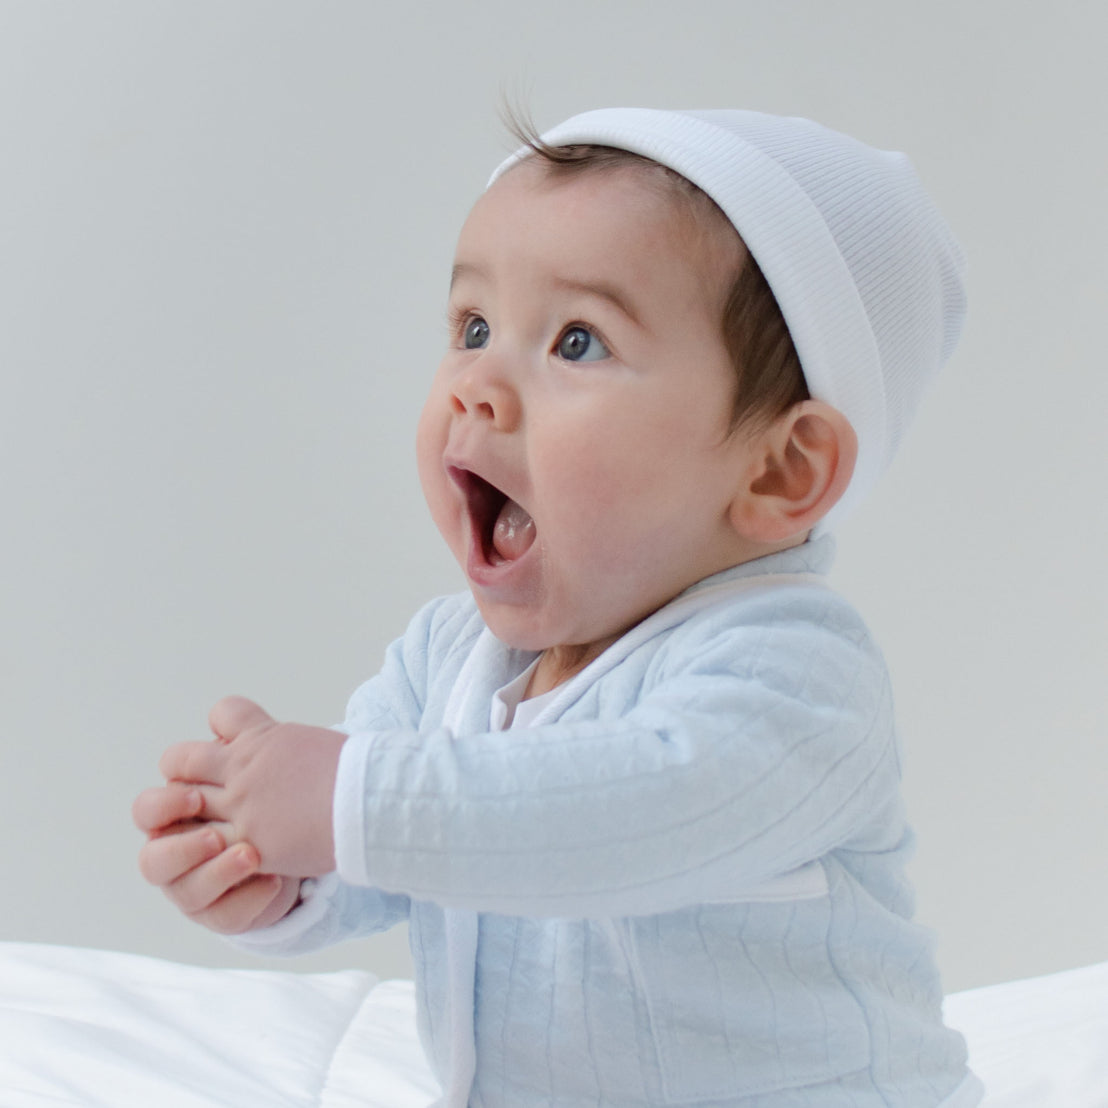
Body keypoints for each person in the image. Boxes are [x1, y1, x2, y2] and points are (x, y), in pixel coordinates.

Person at [133, 107, 984, 1107]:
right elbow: (404, 852)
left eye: (577, 341)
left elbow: (611, 814)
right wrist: (281, 869)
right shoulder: (445, 655)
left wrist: (349, 797)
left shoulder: (795, 674)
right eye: (472, 328)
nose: (478, 387)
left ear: (780, 468)